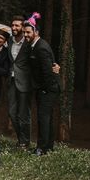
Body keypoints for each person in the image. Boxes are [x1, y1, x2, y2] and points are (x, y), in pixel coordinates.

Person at [23, 13, 61, 156]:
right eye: (25, 32)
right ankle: (49, 146)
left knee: (43, 117)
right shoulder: (34, 46)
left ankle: (41, 148)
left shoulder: (41, 47)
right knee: (47, 117)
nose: (26, 35)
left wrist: (44, 90)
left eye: (28, 32)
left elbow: (48, 72)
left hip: (48, 89)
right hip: (45, 87)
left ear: (36, 32)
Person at [7, 15, 33, 148]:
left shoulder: (28, 42)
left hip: (25, 83)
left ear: (23, 27)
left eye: (17, 25)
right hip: (11, 81)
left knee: (24, 114)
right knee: (12, 112)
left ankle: (25, 142)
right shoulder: (10, 41)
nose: (14, 27)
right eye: (12, 25)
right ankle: (20, 139)